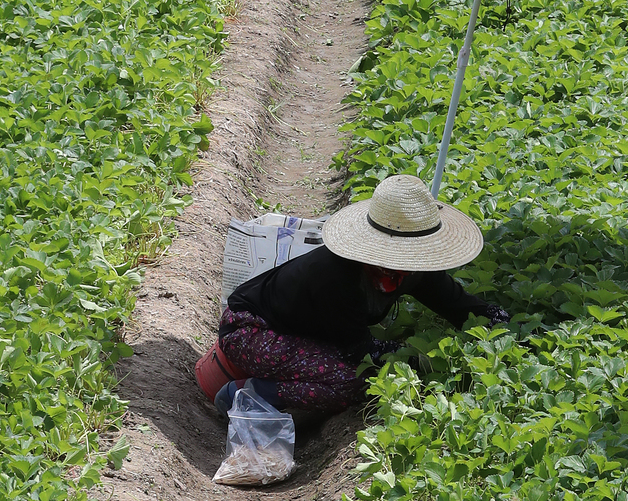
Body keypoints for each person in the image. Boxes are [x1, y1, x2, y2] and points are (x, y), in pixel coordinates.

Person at [200, 173, 510, 418]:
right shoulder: (337, 275)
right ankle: (249, 394)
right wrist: (417, 362)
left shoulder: (413, 271)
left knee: (359, 373)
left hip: (303, 330)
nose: (408, 262)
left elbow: (454, 302)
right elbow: (359, 349)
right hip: (253, 332)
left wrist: (500, 329)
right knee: (355, 382)